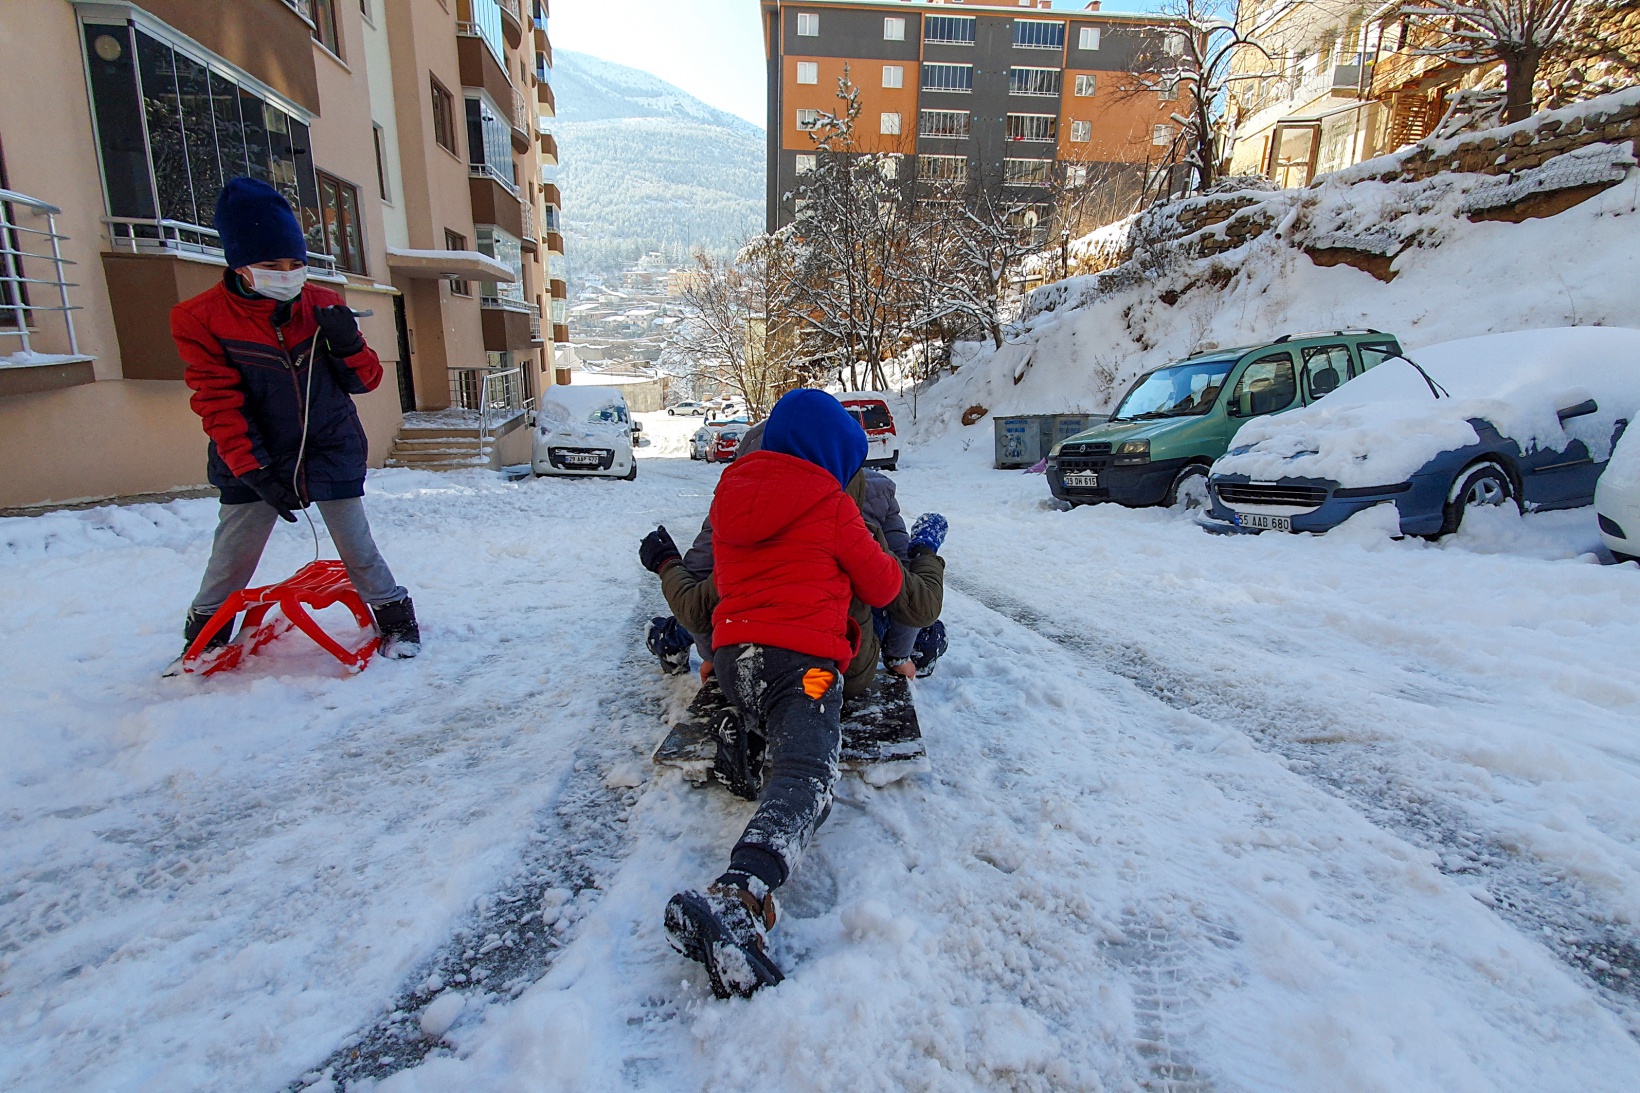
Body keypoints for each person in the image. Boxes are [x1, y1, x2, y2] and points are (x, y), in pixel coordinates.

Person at [636, 389, 948, 998]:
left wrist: (668, 568)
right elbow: (897, 592)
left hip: (735, 666)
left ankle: (745, 732)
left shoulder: (731, 497)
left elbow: (703, 600)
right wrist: (925, 555)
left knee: (771, 708)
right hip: (807, 669)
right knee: (809, 771)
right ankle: (741, 893)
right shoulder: (835, 508)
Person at [170, 177, 420, 661]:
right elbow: (217, 400)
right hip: (250, 451)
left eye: (295, 264)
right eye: (270, 266)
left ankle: (396, 618)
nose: (286, 274)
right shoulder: (199, 318)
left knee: (356, 546)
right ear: (239, 264)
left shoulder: (322, 303)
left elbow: (366, 381)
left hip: (327, 444)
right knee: (233, 552)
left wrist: (347, 343)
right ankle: (205, 635)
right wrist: (253, 470)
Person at [646, 416, 948, 689]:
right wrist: (899, 654)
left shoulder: (738, 500)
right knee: (917, 621)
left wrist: (711, 654)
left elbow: (698, 588)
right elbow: (908, 594)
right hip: (835, 663)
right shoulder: (863, 500)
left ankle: (671, 637)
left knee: (731, 589)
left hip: (746, 638)